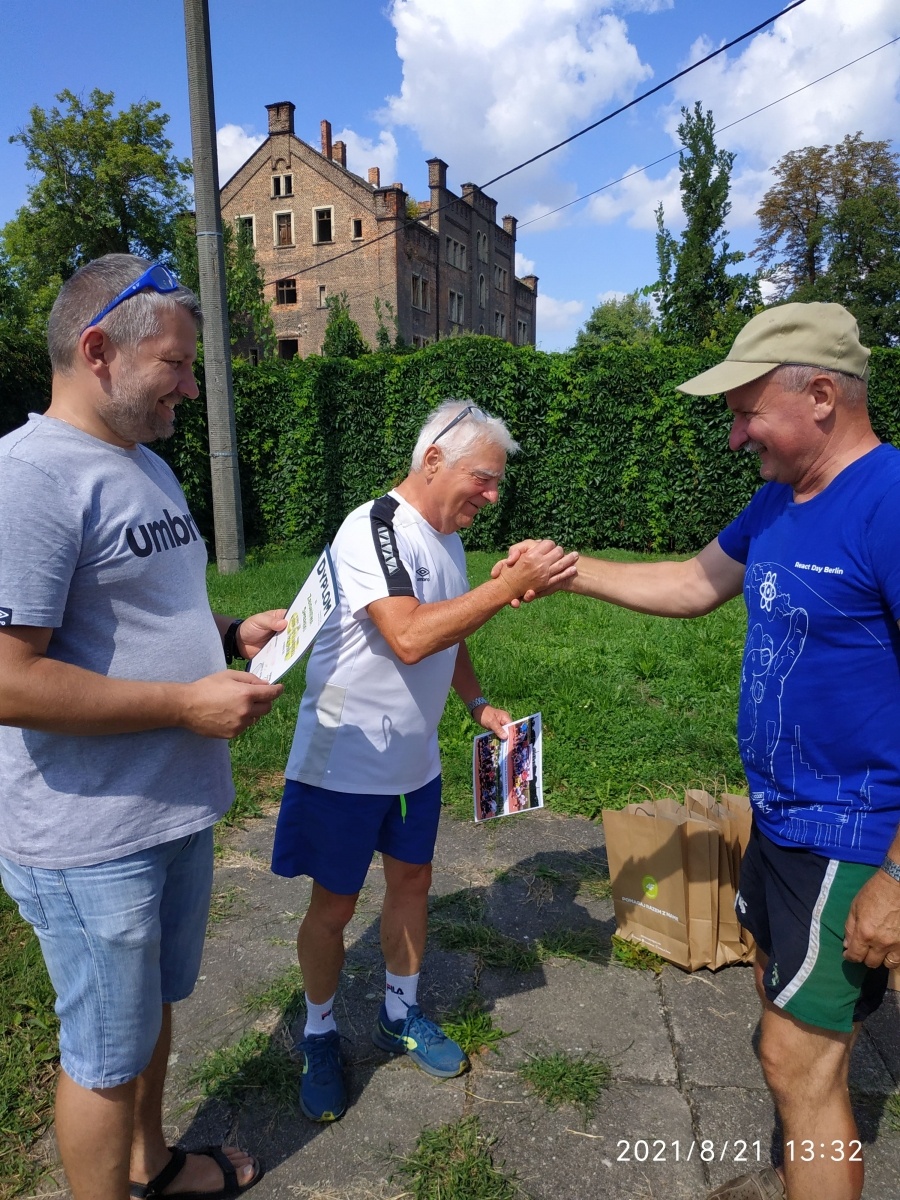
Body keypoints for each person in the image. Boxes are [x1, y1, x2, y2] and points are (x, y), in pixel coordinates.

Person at [505, 303, 900, 1200]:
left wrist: (898, 876)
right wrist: (563, 571)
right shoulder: (778, 501)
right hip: (780, 820)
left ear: (824, 396)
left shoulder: (889, 503)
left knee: (797, 1065)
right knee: (782, 1021)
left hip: (852, 836)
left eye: (747, 410)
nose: (733, 436)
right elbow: (692, 583)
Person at [0, 254, 287, 1200]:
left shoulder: (146, 463)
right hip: (91, 839)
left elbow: (142, 615)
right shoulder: (29, 479)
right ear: (98, 352)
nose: (190, 385)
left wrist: (228, 633)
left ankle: (150, 1164)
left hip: (172, 808)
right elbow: (9, 681)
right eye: (175, 364)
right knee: (101, 1051)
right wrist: (183, 703)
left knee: (154, 1009)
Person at [271, 400, 577, 1123]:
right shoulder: (372, 527)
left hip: (412, 764)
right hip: (342, 763)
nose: (493, 495)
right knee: (334, 905)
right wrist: (506, 588)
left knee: (412, 884)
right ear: (432, 460)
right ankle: (317, 1034)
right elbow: (410, 637)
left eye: (499, 484)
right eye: (485, 478)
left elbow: (451, 629)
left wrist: (477, 705)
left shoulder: (448, 538)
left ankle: (399, 1013)